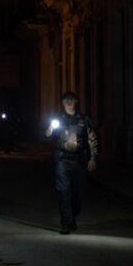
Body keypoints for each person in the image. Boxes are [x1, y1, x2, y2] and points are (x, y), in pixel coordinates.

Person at [45, 91, 98, 235]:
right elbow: (47, 134)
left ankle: (72, 217)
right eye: (66, 100)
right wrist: (50, 128)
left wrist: (93, 158)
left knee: (78, 193)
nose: (68, 102)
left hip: (79, 160)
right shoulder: (57, 117)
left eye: (71, 99)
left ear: (76, 102)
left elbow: (92, 138)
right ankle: (66, 223)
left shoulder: (83, 119)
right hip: (62, 159)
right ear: (62, 102)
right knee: (63, 191)